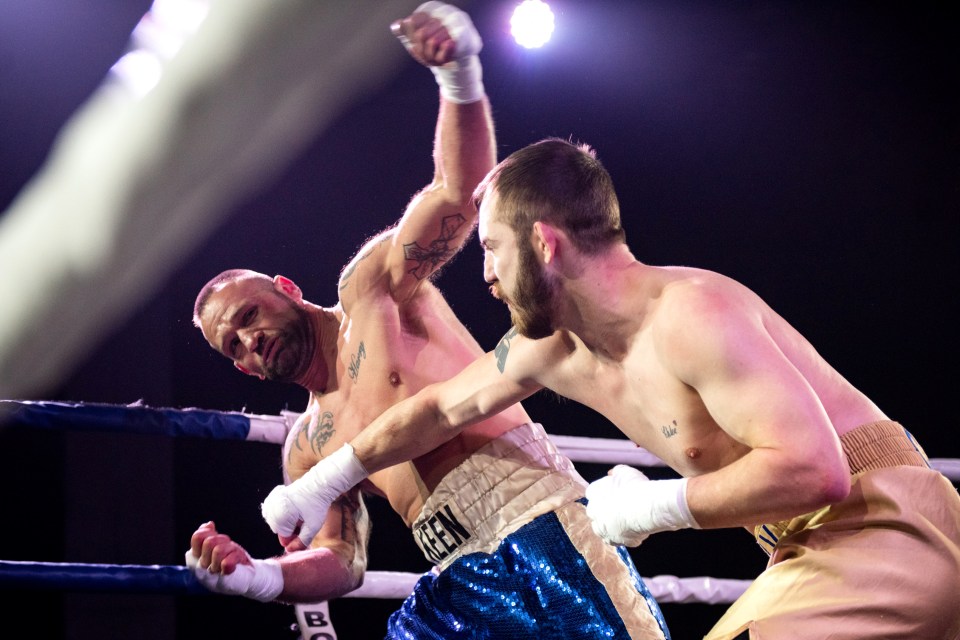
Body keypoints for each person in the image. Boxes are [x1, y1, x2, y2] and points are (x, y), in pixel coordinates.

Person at [263, 137, 960, 640]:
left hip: (882, 524)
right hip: (806, 547)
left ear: (543, 243)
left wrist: (654, 506)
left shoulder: (689, 311)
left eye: (491, 249)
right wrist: (327, 478)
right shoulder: (551, 348)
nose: (486, 278)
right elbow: (439, 407)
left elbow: (817, 470)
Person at [187, 7, 672, 639]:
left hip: (535, 524)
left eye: (248, 316)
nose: (249, 341)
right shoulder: (306, 447)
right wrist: (257, 577)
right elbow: (341, 562)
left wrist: (458, 76)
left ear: (286, 289)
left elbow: (457, 191)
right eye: (234, 347)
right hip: (453, 577)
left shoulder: (371, 294)